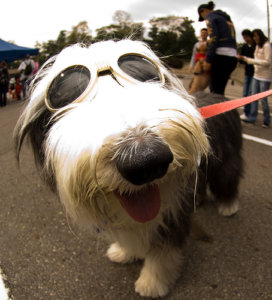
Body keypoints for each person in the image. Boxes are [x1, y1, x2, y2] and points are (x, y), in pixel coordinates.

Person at [197, 1, 237, 95]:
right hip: (232, 57)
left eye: (202, 16)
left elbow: (213, 39)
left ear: (203, 11)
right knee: (220, 91)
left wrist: (208, 60)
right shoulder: (227, 20)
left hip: (220, 57)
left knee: (215, 92)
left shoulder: (210, 17)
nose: (204, 18)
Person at [239, 29, 272, 128]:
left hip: (265, 77)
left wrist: (249, 60)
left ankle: (266, 120)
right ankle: (252, 118)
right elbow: (256, 59)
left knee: (263, 100)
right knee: (253, 97)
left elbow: (268, 62)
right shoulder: (257, 46)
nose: (255, 38)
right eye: (254, 36)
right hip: (256, 75)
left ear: (261, 36)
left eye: (256, 36)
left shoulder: (267, 46)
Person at [239, 29, 255, 120]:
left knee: (251, 94)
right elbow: (242, 59)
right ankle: (246, 112)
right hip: (247, 72)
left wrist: (246, 58)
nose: (245, 39)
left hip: (255, 73)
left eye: (246, 37)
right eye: (243, 37)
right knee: (245, 93)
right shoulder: (244, 46)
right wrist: (240, 58)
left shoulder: (256, 46)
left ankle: (251, 114)